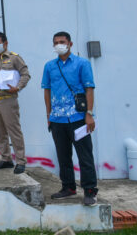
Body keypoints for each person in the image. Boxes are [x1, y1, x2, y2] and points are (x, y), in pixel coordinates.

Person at [42, 31, 98, 206]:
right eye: (56, 42)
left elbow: (89, 89)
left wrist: (89, 114)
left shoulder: (82, 63)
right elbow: (47, 91)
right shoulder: (49, 66)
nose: (59, 45)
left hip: (78, 118)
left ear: (70, 44)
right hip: (57, 119)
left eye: (62, 41)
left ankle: (90, 190)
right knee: (63, 156)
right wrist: (48, 115)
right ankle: (68, 187)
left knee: (85, 156)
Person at [0, 32, 30, 174]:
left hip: (8, 100)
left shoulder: (14, 58)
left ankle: (21, 161)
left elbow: (25, 74)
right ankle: (6, 159)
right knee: (0, 133)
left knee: (14, 132)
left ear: (5, 44)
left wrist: (18, 87)